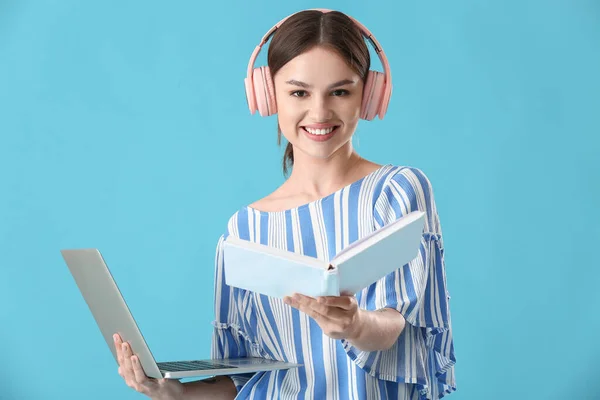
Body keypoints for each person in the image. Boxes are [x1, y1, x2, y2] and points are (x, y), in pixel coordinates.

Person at [114, 8, 456, 400]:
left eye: (340, 92)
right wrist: (172, 393)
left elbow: (399, 325)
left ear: (371, 94)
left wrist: (356, 324)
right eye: (299, 92)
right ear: (267, 94)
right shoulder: (244, 230)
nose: (320, 112)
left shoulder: (397, 191)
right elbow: (242, 377)